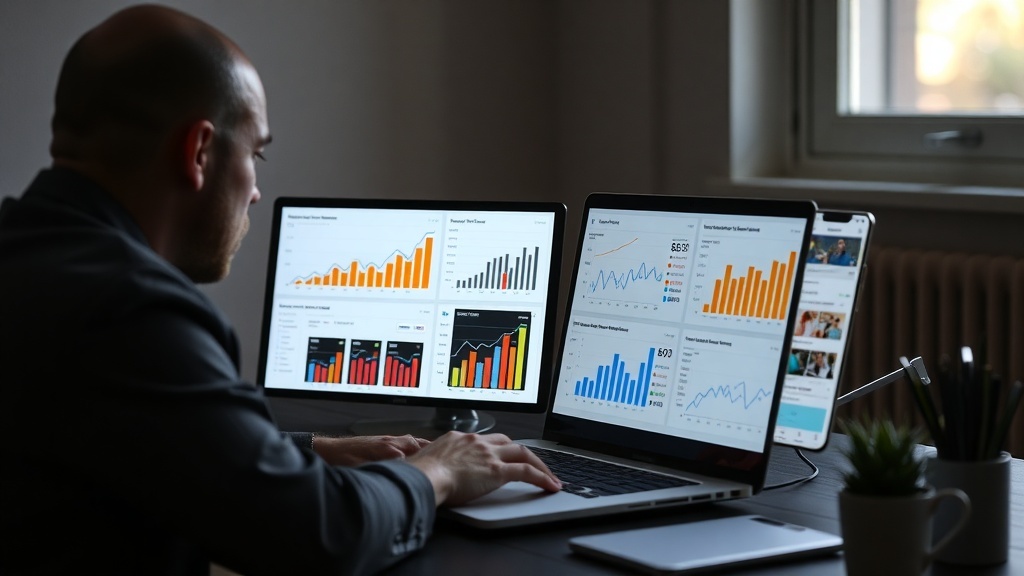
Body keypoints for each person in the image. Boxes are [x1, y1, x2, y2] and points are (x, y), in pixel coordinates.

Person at [0, 5, 559, 575]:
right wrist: (438, 472)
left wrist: (303, 450)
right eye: (255, 154)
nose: (255, 192)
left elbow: (139, 440)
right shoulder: (134, 312)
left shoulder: (26, 257)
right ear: (199, 152)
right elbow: (322, 534)